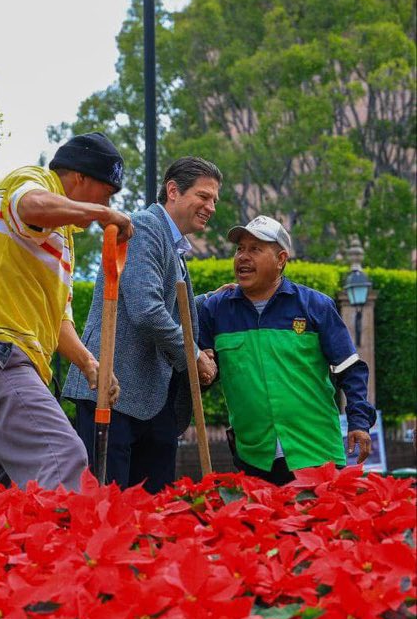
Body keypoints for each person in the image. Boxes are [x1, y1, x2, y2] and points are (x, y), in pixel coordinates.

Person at [0, 132, 134, 491]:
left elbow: (58, 320)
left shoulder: (60, 235)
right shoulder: (29, 180)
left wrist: (90, 365)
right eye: (107, 193)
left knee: (16, 492)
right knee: (64, 461)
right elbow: (30, 205)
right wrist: (101, 213)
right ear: (79, 177)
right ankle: (73, 547)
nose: (108, 203)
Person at [63, 156, 222, 493]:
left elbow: (162, 303)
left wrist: (208, 300)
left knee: (153, 505)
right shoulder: (145, 227)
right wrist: (194, 356)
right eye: (204, 196)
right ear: (173, 191)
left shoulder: (172, 243)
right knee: (111, 505)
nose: (211, 207)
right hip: (112, 387)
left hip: (146, 397)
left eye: (214, 200)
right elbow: (147, 310)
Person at [197, 215, 376, 485]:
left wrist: (359, 422)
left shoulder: (316, 306)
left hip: (316, 454)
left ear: (281, 259)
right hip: (253, 458)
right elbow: (200, 370)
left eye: (255, 249)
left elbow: (351, 369)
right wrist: (203, 368)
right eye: (240, 249)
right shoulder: (215, 310)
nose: (243, 257)